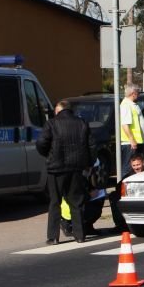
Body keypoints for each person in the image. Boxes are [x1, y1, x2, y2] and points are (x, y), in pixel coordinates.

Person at [36, 100, 96, 244]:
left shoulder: (51, 123)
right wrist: (88, 163)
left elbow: (41, 143)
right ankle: (80, 235)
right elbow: (92, 146)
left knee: (55, 202)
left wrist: (49, 155)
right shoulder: (82, 123)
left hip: (56, 169)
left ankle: (53, 237)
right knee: (76, 202)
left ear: (58, 110)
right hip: (76, 168)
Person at [108, 153, 144, 233]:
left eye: (138, 165)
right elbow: (118, 186)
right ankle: (120, 225)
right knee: (114, 196)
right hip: (132, 196)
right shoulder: (130, 175)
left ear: (143, 163)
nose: (136, 167)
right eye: (134, 165)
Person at [120, 84, 144, 169]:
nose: (139, 95)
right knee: (129, 167)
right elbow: (125, 124)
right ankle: (125, 182)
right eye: (138, 93)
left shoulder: (132, 104)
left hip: (136, 142)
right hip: (130, 143)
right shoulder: (126, 105)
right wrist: (132, 140)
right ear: (133, 93)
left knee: (139, 167)